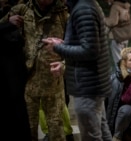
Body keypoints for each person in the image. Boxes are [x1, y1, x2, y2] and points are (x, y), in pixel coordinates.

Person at [41, 0, 113, 140]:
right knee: (102, 132)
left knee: (92, 136)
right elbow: (88, 44)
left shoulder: (83, 9)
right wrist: (63, 47)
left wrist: (58, 48)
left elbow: (90, 50)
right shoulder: (86, 6)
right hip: (92, 83)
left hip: (88, 86)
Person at [0, 0, 69, 140]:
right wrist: (7, 20)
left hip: (53, 80)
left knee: (56, 128)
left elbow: (74, 44)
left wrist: (64, 64)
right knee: (28, 127)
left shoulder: (63, 13)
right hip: (27, 80)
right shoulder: (22, 10)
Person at [0, 0, 31, 140]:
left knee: (20, 107)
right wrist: (7, 23)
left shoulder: (19, 6)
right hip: (6, 68)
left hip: (17, 66)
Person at [104, 0, 131, 64]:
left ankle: (122, 73)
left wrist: (104, 19)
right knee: (124, 59)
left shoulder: (115, 7)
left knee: (119, 61)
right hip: (125, 36)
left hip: (117, 37)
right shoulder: (125, 6)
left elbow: (113, 22)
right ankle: (125, 73)